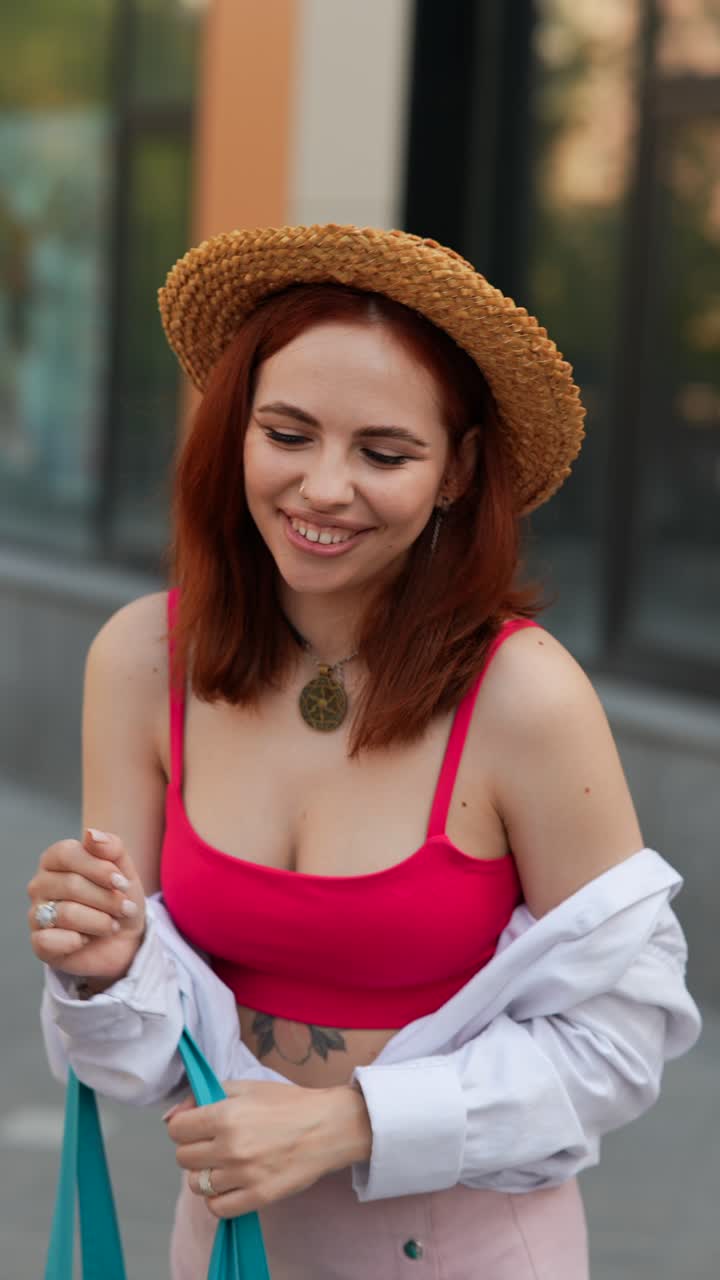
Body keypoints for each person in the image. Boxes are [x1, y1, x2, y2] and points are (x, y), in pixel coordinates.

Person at [28, 224, 701, 1279]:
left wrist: (351, 1123)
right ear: (233, 433)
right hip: (226, 1248)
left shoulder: (524, 696)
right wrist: (102, 972)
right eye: (287, 433)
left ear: (457, 471)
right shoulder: (140, 661)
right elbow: (132, 1060)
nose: (324, 487)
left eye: (383, 453)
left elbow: (619, 1044)